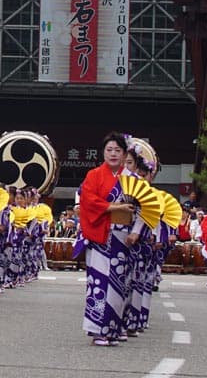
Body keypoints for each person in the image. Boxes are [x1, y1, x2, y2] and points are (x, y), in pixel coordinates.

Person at [77, 131, 136, 346]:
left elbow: (145, 209)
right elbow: (88, 201)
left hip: (123, 236)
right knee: (99, 281)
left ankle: (113, 328)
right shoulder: (94, 175)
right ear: (103, 152)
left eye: (117, 150)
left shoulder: (132, 179)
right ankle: (97, 330)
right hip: (100, 234)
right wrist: (114, 207)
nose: (113, 154)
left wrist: (136, 231)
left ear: (124, 154)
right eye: (109, 150)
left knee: (119, 284)